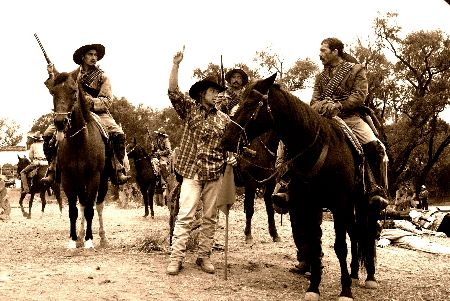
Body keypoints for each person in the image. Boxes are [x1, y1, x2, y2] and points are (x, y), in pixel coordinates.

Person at [166, 48, 236, 275]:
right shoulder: (189, 110)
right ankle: (176, 258)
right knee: (185, 215)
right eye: (212, 91)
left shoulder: (225, 119)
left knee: (210, 217)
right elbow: (173, 91)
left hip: (215, 173)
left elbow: (230, 145)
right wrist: (176, 65)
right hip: (192, 172)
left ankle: (203, 257)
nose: (216, 94)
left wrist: (232, 156)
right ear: (201, 94)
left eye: (218, 91)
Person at [310, 37, 389, 210]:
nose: (320, 54)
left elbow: (359, 95)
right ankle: (286, 183)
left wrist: (338, 105)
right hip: (324, 119)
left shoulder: (356, 70)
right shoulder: (320, 77)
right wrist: (323, 106)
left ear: (335, 52)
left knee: (374, 146)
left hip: (350, 117)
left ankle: (376, 189)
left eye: (323, 50)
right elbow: (314, 101)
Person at [41, 43, 130, 185]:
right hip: (73, 114)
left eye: (96, 55)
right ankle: (52, 168)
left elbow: (107, 101)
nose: (94, 58)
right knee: (47, 134)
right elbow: (58, 90)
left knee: (117, 133)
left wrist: (88, 101)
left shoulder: (102, 77)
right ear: (83, 57)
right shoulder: (72, 76)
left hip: (97, 113)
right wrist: (51, 73)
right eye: (90, 54)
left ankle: (118, 169)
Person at [377, 219, 450, 255]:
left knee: (429, 245)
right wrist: (382, 243)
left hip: (411, 238)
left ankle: (447, 250)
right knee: (428, 246)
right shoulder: (385, 233)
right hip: (410, 239)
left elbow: (385, 239)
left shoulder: (389, 231)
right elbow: (385, 240)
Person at [150, 128, 172, 206]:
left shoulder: (166, 141)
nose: (158, 136)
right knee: (152, 163)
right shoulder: (157, 141)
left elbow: (168, 151)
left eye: (159, 135)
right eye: (158, 135)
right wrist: (153, 149)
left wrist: (159, 153)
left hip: (166, 158)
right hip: (159, 157)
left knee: (163, 165)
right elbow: (155, 151)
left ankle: (164, 181)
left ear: (162, 135)